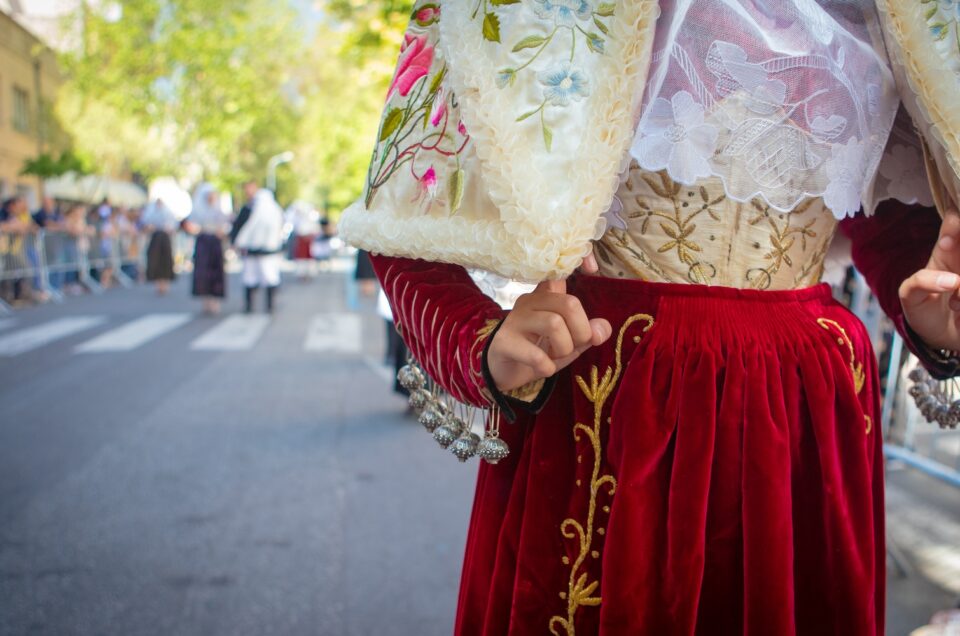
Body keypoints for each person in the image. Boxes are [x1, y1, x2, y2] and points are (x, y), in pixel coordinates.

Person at [339, 2, 960, 634]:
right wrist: (482, 339)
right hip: (619, 398)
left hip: (806, 405)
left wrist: (935, 315)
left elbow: (898, 209)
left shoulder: (899, 11)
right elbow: (405, 207)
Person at [232, 188, 284, 313]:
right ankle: (256, 305)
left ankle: (267, 305)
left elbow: (247, 229)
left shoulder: (264, 211)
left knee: (264, 277)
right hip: (258, 251)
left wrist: (239, 243)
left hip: (265, 251)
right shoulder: (274, 211)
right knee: (253, 277)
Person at [187, 183, 230, 314]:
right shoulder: (198, 211)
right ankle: (206, 301)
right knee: (203, 272)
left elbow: (225, 227)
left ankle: (215, 301)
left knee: (216, 271)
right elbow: (191, 226)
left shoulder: (219, 211)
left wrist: (221, 232)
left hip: (215, 244)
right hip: (203, 243)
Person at [141, 198, 178, 296]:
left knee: (166, 261)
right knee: (155, 261)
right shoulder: (151, 213)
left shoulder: (168, 213)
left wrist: (169, 228)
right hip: (156, 239)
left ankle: (165, 283)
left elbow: (173, 226)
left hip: (165, 239)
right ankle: (158, 284)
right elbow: (145, 225)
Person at [285, 200, 321, 281]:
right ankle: (302, 273)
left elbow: (314, 229)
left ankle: (308, 273)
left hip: (307, 240)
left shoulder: (311, 217)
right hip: (301, 239)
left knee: (308, 257)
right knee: (301, 257)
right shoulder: (297, 218)